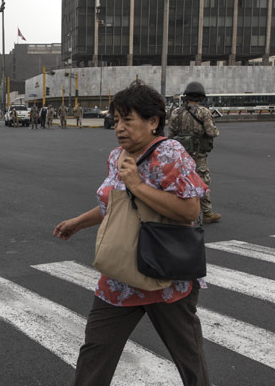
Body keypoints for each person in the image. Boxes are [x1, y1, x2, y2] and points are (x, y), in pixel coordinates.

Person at [54, 81, 210, 386]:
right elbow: (116, 207)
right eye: (117, 119)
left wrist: (138, 184)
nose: (119, 127)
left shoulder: (170, 153)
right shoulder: (117, 156)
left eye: (129, 119)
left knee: (188, 356)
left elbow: (191, 210)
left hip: (165, 275)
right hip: (121, 275)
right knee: (96, 350)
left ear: (153, 122)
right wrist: (77, 222)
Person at [168, 81, 221, 224]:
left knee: (178, 180)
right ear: (201, 97)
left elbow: (170, 135)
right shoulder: (204, 112)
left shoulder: (176, 112)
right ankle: (207, 213)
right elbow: (212, 132)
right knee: (202, 180)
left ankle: (175, 210)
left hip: (180, 154)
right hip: (198, 154)